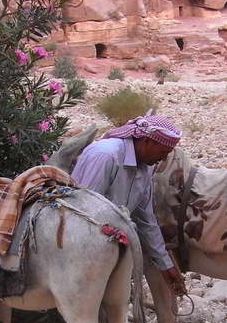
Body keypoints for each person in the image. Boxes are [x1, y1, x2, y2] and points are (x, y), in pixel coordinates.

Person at [71, 114, 187, 296]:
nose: (163, 159)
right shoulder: (106, 156)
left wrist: (166, 265)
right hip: (78, 246)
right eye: (162, 153)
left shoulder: (146, 168)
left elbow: (147, 220)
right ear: (148, 141)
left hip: (106, 249)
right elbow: (82, 212)